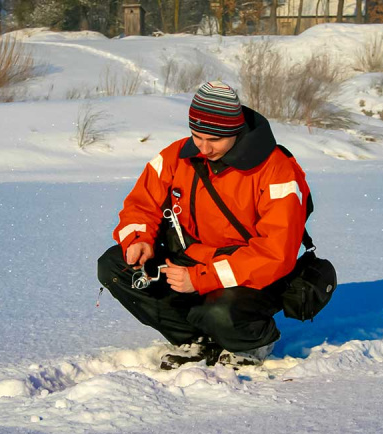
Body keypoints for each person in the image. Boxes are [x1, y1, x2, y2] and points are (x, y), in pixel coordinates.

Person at [97, 81, 310, 370]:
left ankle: (252, 342)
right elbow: (141, 205)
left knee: (220, 312)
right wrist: (139, 238)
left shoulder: (277, 169)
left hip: (252, 272)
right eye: (197, 136)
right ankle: (197, 340)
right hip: (188, 261)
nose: (204, 148)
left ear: (235, 130)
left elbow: (276, 253)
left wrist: (201, 278)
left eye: (215, 139)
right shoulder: (175, 156)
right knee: (114, 266)